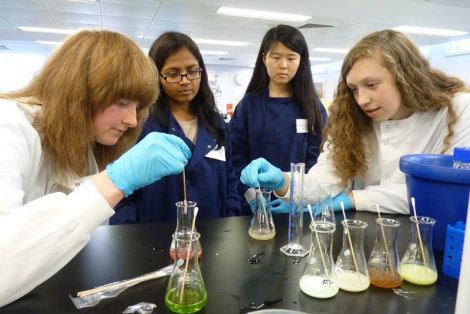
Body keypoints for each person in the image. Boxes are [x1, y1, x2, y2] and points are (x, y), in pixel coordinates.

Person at [0, 30, 191, 307]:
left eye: (138, 106)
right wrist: (112, 183)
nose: (132, 120)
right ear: (77, 91)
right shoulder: (8, 125)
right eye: (122, 102)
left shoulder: (83, 143)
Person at [240, 29, 470, 215]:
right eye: (353, 89)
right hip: (364, 239)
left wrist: (354, 198)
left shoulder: (458, 110)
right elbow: (325, 181)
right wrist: (284, 182)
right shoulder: (353, 119)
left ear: (406, 75)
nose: (362, 99)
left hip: (434, 242)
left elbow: (446, 193)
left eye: (372, 85)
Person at [110, 31, 240, 224]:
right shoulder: (140, 126)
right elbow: (122, 193)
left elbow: (231, 183)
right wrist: (130, 238)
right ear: (156, 76)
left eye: (192, 71)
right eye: (173, 74)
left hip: (214, 237)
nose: (185, 80)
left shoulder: (216, 125)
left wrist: (231, 226)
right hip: (155, 238)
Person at [229, 24, 327, 215]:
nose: (283, 65)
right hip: (254, 204)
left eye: (291, 58)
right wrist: (250, 195)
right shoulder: (249, 105)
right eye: (276, 57)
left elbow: (318, 160)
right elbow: (235, 155)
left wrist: (298, 198)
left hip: (299, 205)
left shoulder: (313, 108)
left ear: (301, 61)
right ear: (264, 58)